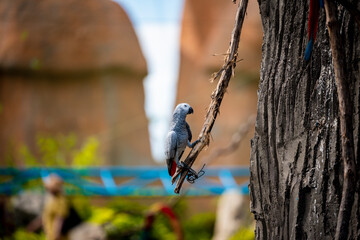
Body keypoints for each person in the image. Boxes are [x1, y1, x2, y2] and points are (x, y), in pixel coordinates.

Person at [42, 174, 69, 240]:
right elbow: (45, 215)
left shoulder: (61, 200)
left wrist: (56, 235)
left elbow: (59, 219)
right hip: (50, 235)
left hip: (57, 237)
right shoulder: (50, 199)